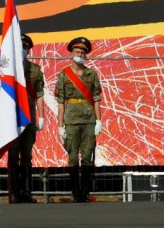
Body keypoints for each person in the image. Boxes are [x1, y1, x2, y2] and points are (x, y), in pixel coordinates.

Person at [55, 36, 102, 202]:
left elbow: (96, 99)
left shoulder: (91, 74)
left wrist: (98, 120)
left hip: (89, 120)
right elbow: (61, 103)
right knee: (73, 157)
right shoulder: (64, 75)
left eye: (82, 52)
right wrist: (60, 125)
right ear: (72, 53)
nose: (80, 54)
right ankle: (76, 192)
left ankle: (86, 192)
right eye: (77, 51)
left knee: (88, 156)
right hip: (72, 120)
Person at [7, 34, 45, 203]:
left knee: (27, 155)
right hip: (12, 118)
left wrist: (42, 116)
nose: (22, 50)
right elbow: (1, 93)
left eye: (25, 48)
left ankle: (27, 191)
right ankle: (15, 192)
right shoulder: (7, 70)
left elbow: (39, 95)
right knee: (13, 155)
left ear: (28, 50)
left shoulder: (35, 70)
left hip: (28, 118)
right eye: (19, 47)